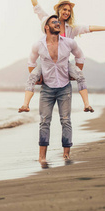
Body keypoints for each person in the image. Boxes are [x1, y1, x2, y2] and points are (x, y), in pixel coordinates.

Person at [18, 0, 105, 114]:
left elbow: (89, 28)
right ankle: (25, 105)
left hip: (64, 64)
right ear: (58, 9)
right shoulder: (48, 20)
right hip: (47, 63)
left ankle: (87, 104)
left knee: (80, 75)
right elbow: (36, 5)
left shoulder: (72, 28)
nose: (66, 12)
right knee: (31, 77)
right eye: (64, 9)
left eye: (69, 11)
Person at [29, 15, 84, 161]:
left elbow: (80, 56)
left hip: (65, 87)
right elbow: (31, 61)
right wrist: (37, 78)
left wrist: (75, 73)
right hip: (47, 87)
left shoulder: (68, 42)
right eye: (54, 22)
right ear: (46, 27)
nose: (58, 24)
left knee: (66, 120)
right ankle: (42, 157)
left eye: (58, 22)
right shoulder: (38, 45)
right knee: (44, 121)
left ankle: (66, 154)